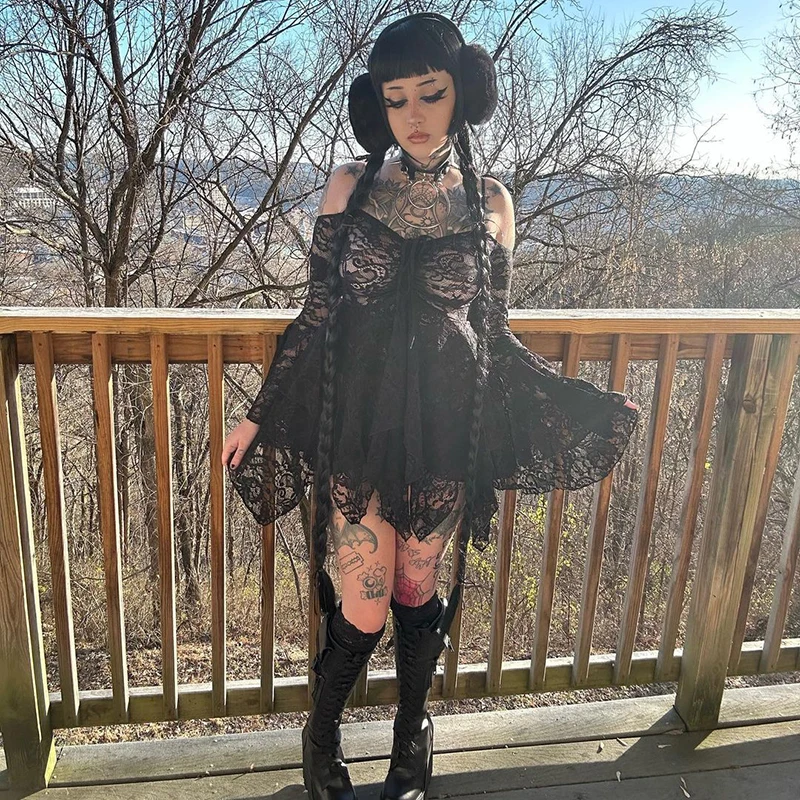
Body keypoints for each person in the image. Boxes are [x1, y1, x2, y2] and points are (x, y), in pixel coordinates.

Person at [223, 12, 640, 800]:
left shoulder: (492, 202)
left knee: (416, 593)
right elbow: (316, 314)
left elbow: (495, 334)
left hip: (448, 429)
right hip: (360, 427)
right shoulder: (350, 187)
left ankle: (411, 741)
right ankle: (321, 733)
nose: (413, 114)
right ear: (376, 105)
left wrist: (574, 401)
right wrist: (258, 413)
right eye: (396, 99)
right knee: (364, 604)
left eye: (430, 93)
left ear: (462, 94)